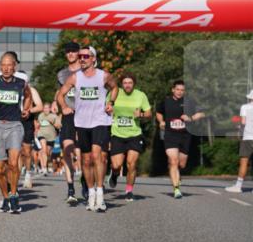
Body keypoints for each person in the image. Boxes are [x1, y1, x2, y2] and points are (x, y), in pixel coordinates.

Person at [57, 46, 117, 211]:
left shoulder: (103, 75)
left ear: (93, 59)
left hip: (100, 120)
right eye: (80, 56)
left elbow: (115, 88)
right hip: (82, 122)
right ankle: (90, 193)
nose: (82, 58)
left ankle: (100, 194)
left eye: (85, 56)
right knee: (86, 160)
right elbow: (60, 95)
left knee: (98, 156)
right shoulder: (75, 78)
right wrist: (63, 107)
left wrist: (110, 103)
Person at [0, 52, 32, 214]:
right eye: (3, 65)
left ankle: (14, 194)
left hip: (15, 125)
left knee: (13, 162)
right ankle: (6, 196)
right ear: (0, 66)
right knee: (0, 168)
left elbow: (28, 96)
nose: (6, 68)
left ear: (14, 67)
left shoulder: (21, 83)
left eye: (10, 65)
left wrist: (27, 109)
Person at [155, 80, 206, 199]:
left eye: (182, 90)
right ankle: (176, 189)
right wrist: (161, 121)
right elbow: (158, 112)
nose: (179, 92)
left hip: (185, 136)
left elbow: (202, 113)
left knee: (181, 164)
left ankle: (177, 175)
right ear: (173, 90)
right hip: (170, 135)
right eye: (177, 89)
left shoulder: (189, 102)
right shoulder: (166, 101)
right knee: (173, 161)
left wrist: (191, 118)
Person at [108, 73, 150, 201]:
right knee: (116, 165)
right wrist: (108, 112)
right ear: (121, 84)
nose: (127, 85)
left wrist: (141, 114)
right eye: (125, 83)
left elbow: (149, 113)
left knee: (131, 164)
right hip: (117, 134)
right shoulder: (114, 93)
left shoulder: (140, 95)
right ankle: (114, 174)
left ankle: (129, 190)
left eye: (130, 83)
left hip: (134, 134)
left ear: (134, 84)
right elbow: (106, 108)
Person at [56, 41, 86, 203]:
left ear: (78, 53)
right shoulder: (61, 74)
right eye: (68, 52)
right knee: (67, 150)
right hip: (69, 114)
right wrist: (61, 105)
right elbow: (59, 92)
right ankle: (70, 189)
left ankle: (85, 181)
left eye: (73, 51)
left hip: (85, 115)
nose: (70, 54)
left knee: (82, 153)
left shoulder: (87, 72)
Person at [225, 90, 253, 193]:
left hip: (248, 137)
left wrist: (238, 128)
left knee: (244, 162)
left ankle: (238, 186)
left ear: (250, 98)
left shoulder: (245, 107)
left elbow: (243, 122)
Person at [36, 102, 60, 175]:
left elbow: (58, 126)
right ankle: (44, 168)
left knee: (48, 153)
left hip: (51, 137)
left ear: (50, 109)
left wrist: (52, 123)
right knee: (43, 149)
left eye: (47, 108)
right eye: (44, 108)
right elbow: (38, 124)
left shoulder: (53, 116)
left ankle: (47, 164)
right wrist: (37, 128)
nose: (46, 109)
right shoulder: (40, 115)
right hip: (41, 134)